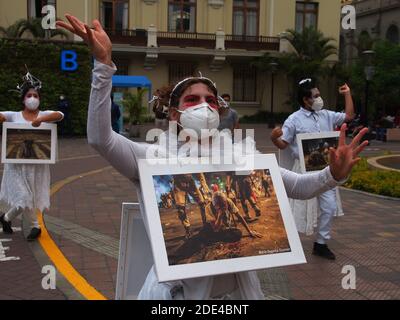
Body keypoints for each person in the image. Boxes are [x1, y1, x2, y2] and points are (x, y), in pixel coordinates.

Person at [57, 15, 368, 300]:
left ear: (219, 111)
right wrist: (103, 66)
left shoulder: (244, 156)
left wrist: (333, 174)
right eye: (192, 100)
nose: (203, 106)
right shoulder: (152, 156)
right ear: (175, 112)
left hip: (237, 295)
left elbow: (299, 187)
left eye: (209, 100)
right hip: (176, 295)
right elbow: (100, 138)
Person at [270, 78, 355, 260]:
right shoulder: (293, 120)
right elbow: (283, 144)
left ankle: (321, 243)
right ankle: (285, 240)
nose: (319, 98)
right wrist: (274, 138)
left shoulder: (326, 115)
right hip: (302, 170)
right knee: (296, 207)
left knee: (329, 206)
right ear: (305, 100)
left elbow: (349, 116)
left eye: (319, 95)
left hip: (324, 169)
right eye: (315, 96)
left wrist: (347, 93)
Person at [0, 71, 64, 241]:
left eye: (35, 95)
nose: (32, 98)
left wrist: (41, 119)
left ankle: (6, 218)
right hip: (16, 166)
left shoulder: (43, 115)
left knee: (29, 197)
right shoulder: (14, 116)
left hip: (36, 165)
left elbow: (60, 115)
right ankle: (36, 227)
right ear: (23, 99)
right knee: (24, 197)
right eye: (29, 95)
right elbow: (1, 116)